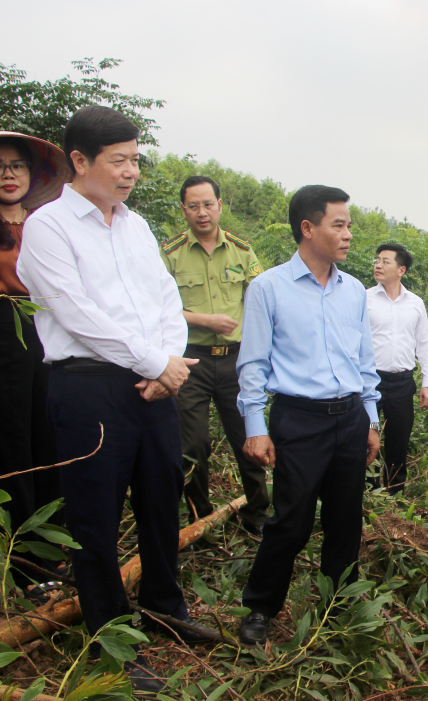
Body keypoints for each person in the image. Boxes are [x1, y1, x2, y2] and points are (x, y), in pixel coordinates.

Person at [16, 106, 216, 693]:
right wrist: (153, 361)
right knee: (94, 516)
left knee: (160, 498)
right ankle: (110, 637)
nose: (131, 171)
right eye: (119, 161)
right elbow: (75, 312)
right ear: (80, 161)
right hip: (88, 386)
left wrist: (166, 366)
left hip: (154, 384)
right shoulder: (47, 227)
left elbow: (164, 298)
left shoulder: (137, 225)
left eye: (135, 160)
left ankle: (163, 604)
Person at [236, 185, 381, 646]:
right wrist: (255, 427)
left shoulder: (354, 290)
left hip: (349, 418)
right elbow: (254, 364)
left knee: (346, 517)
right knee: (291, 518)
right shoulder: (269, 288)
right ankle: (260, 606)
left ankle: (337, 603)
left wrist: (371, 418)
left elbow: (364, 361)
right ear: (307, 228)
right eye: (338, 224)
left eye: (349, 225)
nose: (348, 234)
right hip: (298, 419)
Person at [0, 131, 68, 597]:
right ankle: (22, 568)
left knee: (54, 444)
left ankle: (55, 555)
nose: (8, 175)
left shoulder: (50, 225)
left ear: (33, 173)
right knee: (10, 451)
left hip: (51, 339)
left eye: (17, 166)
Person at [161, 176, 269, 533]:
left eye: (208, 204)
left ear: (220, 205)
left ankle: (258, 514)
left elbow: (260, 301)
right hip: (189, 359)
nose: (202, 213)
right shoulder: (170, 254)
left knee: (248, 438)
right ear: (184, 210)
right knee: (192, 443)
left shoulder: (242, 251)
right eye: (193, 206)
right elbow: (156, 309)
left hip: (237, 359)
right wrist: (203, 319)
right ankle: (199, 519)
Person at [366, 242, 428, 494]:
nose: (378, 265)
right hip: (369, 381)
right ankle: (367, 493)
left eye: (386, 261)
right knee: (365, 437)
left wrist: (427, 382)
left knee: (398, 441)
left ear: (401, 270)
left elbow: (423, 345)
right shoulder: (365, 299)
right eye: (377, 260)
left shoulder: (415, 303)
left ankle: (395, 494)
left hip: (403, 383)